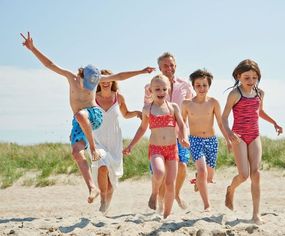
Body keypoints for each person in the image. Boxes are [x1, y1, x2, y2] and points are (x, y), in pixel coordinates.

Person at [21, 32, 155, 203]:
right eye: (90, 83)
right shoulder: (71, 77)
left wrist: (142, 71)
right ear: (82, 74)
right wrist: (33, 48)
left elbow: (120, 76)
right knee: (76, 152)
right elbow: (50, 64)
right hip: (79, 122)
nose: (93, 86)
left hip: (94, 115)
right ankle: (92, 188)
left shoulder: (97, 78)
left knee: (80, 114)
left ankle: (92, 148)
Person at [221, 59, 283, 224]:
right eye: (247, 77)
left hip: (254, 135)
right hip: (239, 136)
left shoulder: (259, 93)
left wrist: (274, 122)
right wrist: (228, 134)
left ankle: (256, 215)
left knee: (256, 174)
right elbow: (224, 117)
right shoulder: (235, 94)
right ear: (238, 76)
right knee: (244, 175)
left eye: (254, 78)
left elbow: (259, 112)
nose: (251, 81)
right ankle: (230, 189)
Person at [124, 74, 189, 219]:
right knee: (159, 172)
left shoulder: (173, 107)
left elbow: (182, 124)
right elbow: (142, 129)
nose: (161, 92)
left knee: (170, 183)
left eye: (164, 89)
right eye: (157, 89)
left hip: (172, 149)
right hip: (156, 149)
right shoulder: (147, 109)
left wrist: (183, 137)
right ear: (151, 91)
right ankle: (154, 193)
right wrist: (130, 146)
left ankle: (166, 215)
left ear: (168, 90)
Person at [144, 52, 194, 210]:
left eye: (172, 65)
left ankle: (176, 194)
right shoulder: (150, 87)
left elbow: (192, 105)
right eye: (165, 65)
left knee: (183, 166)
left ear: (176, 66)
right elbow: (147, 109)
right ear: (159, 67)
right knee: (162, 172)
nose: (169, 68)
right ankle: (160, 201)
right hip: (161, 136)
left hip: (181, 134)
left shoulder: (184, 84)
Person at [91, 69, 142, 214]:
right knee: (102, 167)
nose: (106, 82)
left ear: (113, 81)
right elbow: (83, 115)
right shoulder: (92, 97)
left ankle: (107, 205)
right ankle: (102, 200)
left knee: (112, 176)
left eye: (109, 79)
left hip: (114, 141)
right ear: (98, 81)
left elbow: (125, 114)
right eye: (102, 79)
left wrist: (137, 113)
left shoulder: (118, 97)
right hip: (97, 140)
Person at [181, 69, 232, 211]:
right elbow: (182, 123)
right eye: (198, 85)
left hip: (211, 141)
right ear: (193, 86)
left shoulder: (213, 102)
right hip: (195, 140)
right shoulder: (186, 104)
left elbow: (221, 123)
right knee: (202, 171)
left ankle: (199, 180)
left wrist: (228, 139)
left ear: (209, 86)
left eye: (204, 85)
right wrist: (183, 137)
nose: (201, 88)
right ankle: (207, 205)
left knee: (209, 177)